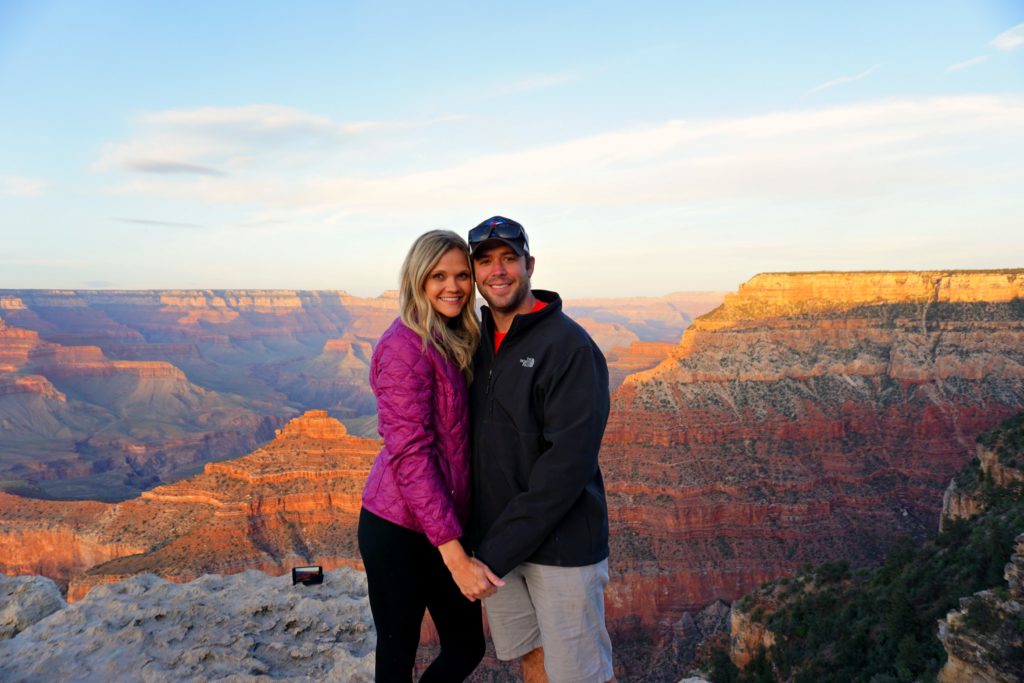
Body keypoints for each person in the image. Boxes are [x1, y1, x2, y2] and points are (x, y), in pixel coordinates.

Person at [466, 216, 614, 683]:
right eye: (486, 261)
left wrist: (493, 551)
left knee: (579, 674)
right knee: (532, 659)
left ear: (530, 264)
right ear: (474, 274)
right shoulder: (474, 341)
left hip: (560, 548)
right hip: (497, 547)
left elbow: (566, 468)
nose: (499, 271)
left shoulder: (569, 347)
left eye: (509, 258)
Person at [358, 229, 503, 683]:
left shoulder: (453, 335)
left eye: (462, 275)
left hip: (442, 524)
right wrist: (455, 556)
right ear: (417, 279)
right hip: (398, 530)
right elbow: (411, 456)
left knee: (466, 645)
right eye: (438, 275)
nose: (453, 286)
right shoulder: (405, 346)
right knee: (397, 652)